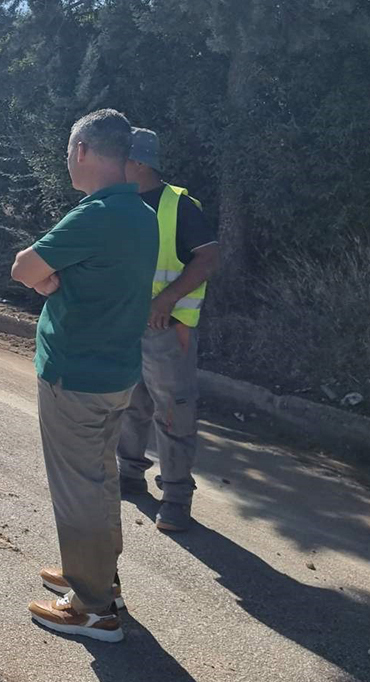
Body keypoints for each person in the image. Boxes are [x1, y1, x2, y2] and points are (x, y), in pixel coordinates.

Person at [10, 109, 158, 643]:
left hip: (76, 375)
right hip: (116, 371)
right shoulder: (142, 213)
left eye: (68, 152)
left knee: (78, 489)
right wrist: (60, 286)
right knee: (99, 480)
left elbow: (24, 267)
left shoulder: (96, 213)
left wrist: (49, 286)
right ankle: (100, 578)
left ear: (82, 151)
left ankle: (92, 608)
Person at [116, 128, 219, 532]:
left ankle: (176, 497)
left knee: (173, 410)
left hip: (167, 328)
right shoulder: (120, 203)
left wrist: (166, 300)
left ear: (138, 162)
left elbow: (208, 257)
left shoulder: (179, 206)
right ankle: (129, 473)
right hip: (127, 325)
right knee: (130, 404)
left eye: (120, 159)